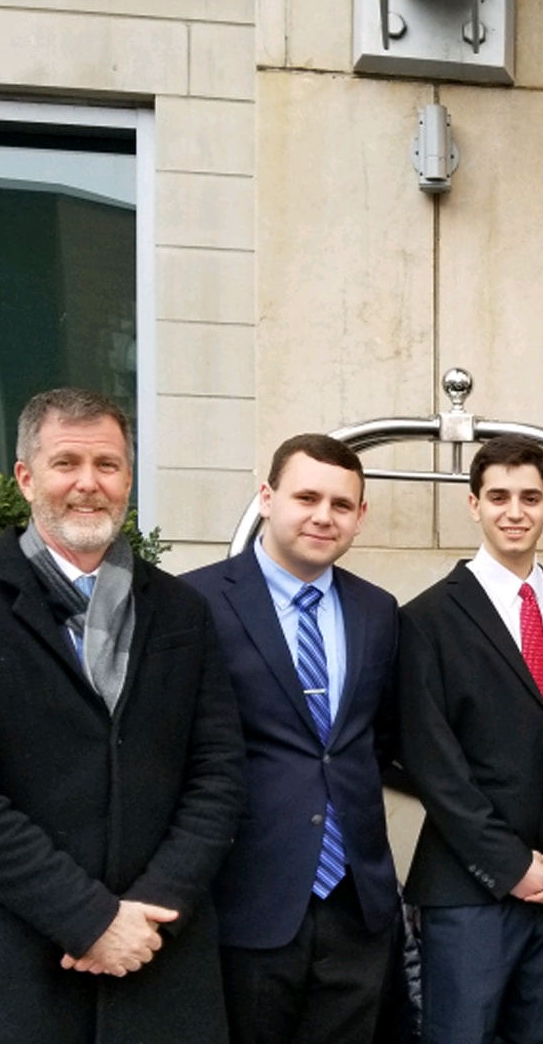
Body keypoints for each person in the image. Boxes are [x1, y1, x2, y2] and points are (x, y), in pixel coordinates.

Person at [0, 388, 246, 1043]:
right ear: (26, 478)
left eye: (108, 465)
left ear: (129, 479)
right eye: (67, 463)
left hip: (161, 946)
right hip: (18, 950)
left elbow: (219, 771)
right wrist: (88, 919)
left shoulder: (182, 612)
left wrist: (152, 908)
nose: (89, 484)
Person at [183, 434, 401, 1044]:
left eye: (340, 504)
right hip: (246, 900)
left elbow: (372, 740)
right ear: (267, 497)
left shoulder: (378, 611)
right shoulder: (194, 602)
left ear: (360, 516)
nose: (322, 516)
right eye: (306, 497)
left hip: (356, 901)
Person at [396, 434, 543, 1044]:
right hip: (469, 889)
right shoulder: (426, 618)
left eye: (530, 497)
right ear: (473, 504)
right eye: (499, 496)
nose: (515, 511)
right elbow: (434, 765)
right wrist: (510, 865)